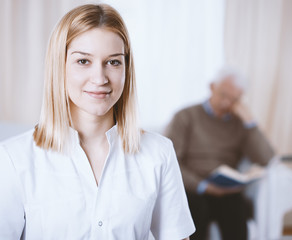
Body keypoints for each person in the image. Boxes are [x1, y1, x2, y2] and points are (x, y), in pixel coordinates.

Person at [0, 4, 195, 240]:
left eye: (113, 62)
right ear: (58, 67)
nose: (100, 78)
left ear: (126, 69)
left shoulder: (159, 153)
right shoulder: (13, 159)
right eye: (83, 61)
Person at [165, 68, 275, 240]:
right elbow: (170, 162)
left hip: (225, 191)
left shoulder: (240, 123)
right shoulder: (185, 116)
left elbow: (266, 159)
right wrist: (203, 186)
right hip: (192, 188)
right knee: (196, 208)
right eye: (223, 95)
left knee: (236, 208)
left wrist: (250, 122)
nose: (226, 103)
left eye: (234, 99)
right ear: (212, 87)